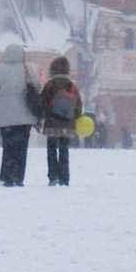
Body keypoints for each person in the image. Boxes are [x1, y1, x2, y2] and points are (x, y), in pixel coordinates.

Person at [0, 44, 39, 186]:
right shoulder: (28, 69)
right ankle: (19, 177)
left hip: (6, 117)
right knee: (22, 148)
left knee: (8, 147)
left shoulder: (0, 70)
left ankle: (7, 177)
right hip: (25, 117)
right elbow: (36, 87)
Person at [40, 55, 83, 186]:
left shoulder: (50, 84)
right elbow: (78, 106)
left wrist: (44, 116)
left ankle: (53, 177)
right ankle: (64, 178)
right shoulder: (72, 85)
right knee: (64, 150)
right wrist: (74, 118)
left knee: (51, 149)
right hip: (67, 124)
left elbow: (42, 103)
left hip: (52, 123)